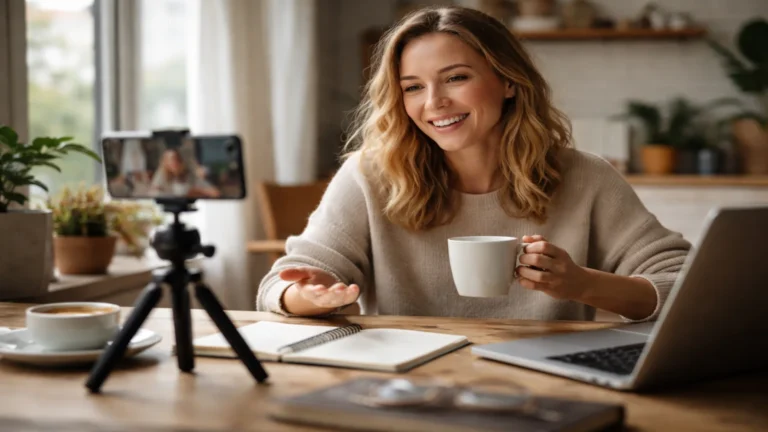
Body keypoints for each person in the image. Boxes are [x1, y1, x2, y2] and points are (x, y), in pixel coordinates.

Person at [256, 6, 690, 321]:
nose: (434, 102)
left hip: (548, 385)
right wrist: (308, 295)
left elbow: (686, 287)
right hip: (407, 385)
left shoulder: (586, 177)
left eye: (456, 78)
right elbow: (281, 285)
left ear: (508, 81)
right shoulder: (370, 177)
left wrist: (581, 284)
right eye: (412, 87)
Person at [150, 148, 221, 198]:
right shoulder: (161, 174)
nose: (173, 162)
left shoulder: (189, 175)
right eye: (169, 160)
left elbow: (215, 193)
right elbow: (153, 193)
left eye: (176, 159)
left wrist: (196, 192)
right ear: (165, 162)